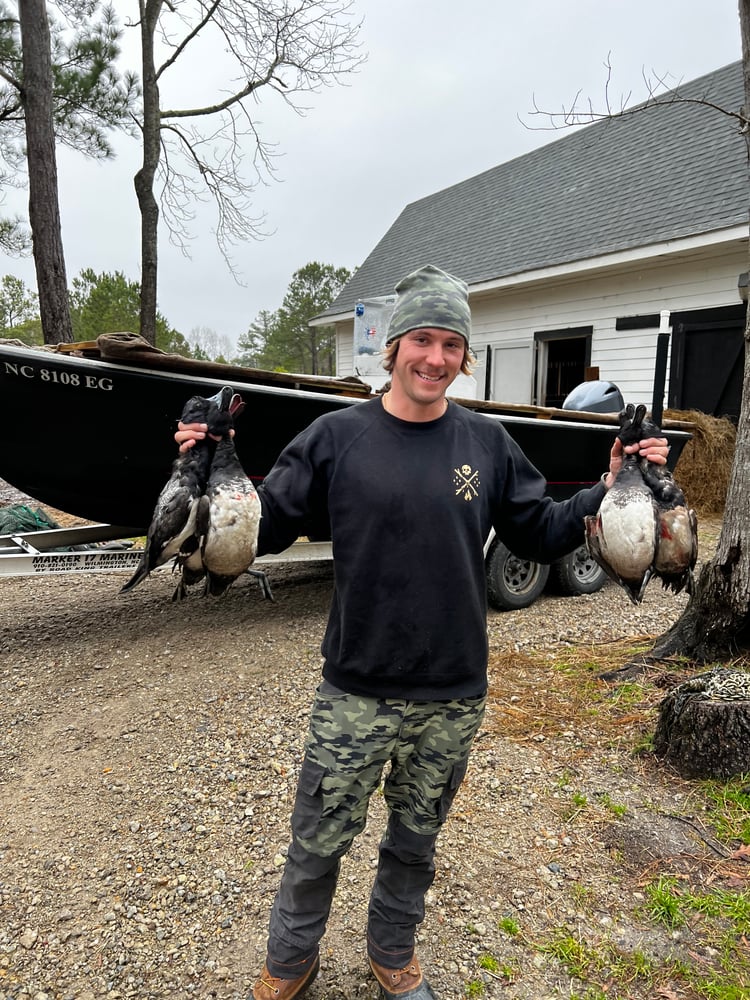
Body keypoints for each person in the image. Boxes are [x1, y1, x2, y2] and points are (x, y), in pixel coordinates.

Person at [175, 265, 670, 1000]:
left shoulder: (487, 441)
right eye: (421, 340)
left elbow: (538, 531)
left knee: (414, 843)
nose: (435, 358)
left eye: (450, 345)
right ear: (394, 346)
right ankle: (289, 961)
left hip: (452, 690)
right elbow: (263, 525)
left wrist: (611, 485)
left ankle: (392, 955)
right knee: (316, 843)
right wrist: (202, 464)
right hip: (356, 686)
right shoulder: (335, 437)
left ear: (463, 356)